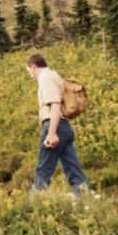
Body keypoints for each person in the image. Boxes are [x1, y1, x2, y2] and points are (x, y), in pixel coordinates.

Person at [25, 54, 90, 195]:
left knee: (44, 168)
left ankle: (33, 204)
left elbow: (55, 104)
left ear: (33, 67)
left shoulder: (45, 78)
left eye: (29, 70)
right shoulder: (54, 76)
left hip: (55, 125)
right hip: (64, 126)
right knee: (72, 168)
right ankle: (85, 198)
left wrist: (52, 133)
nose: (30, 74)